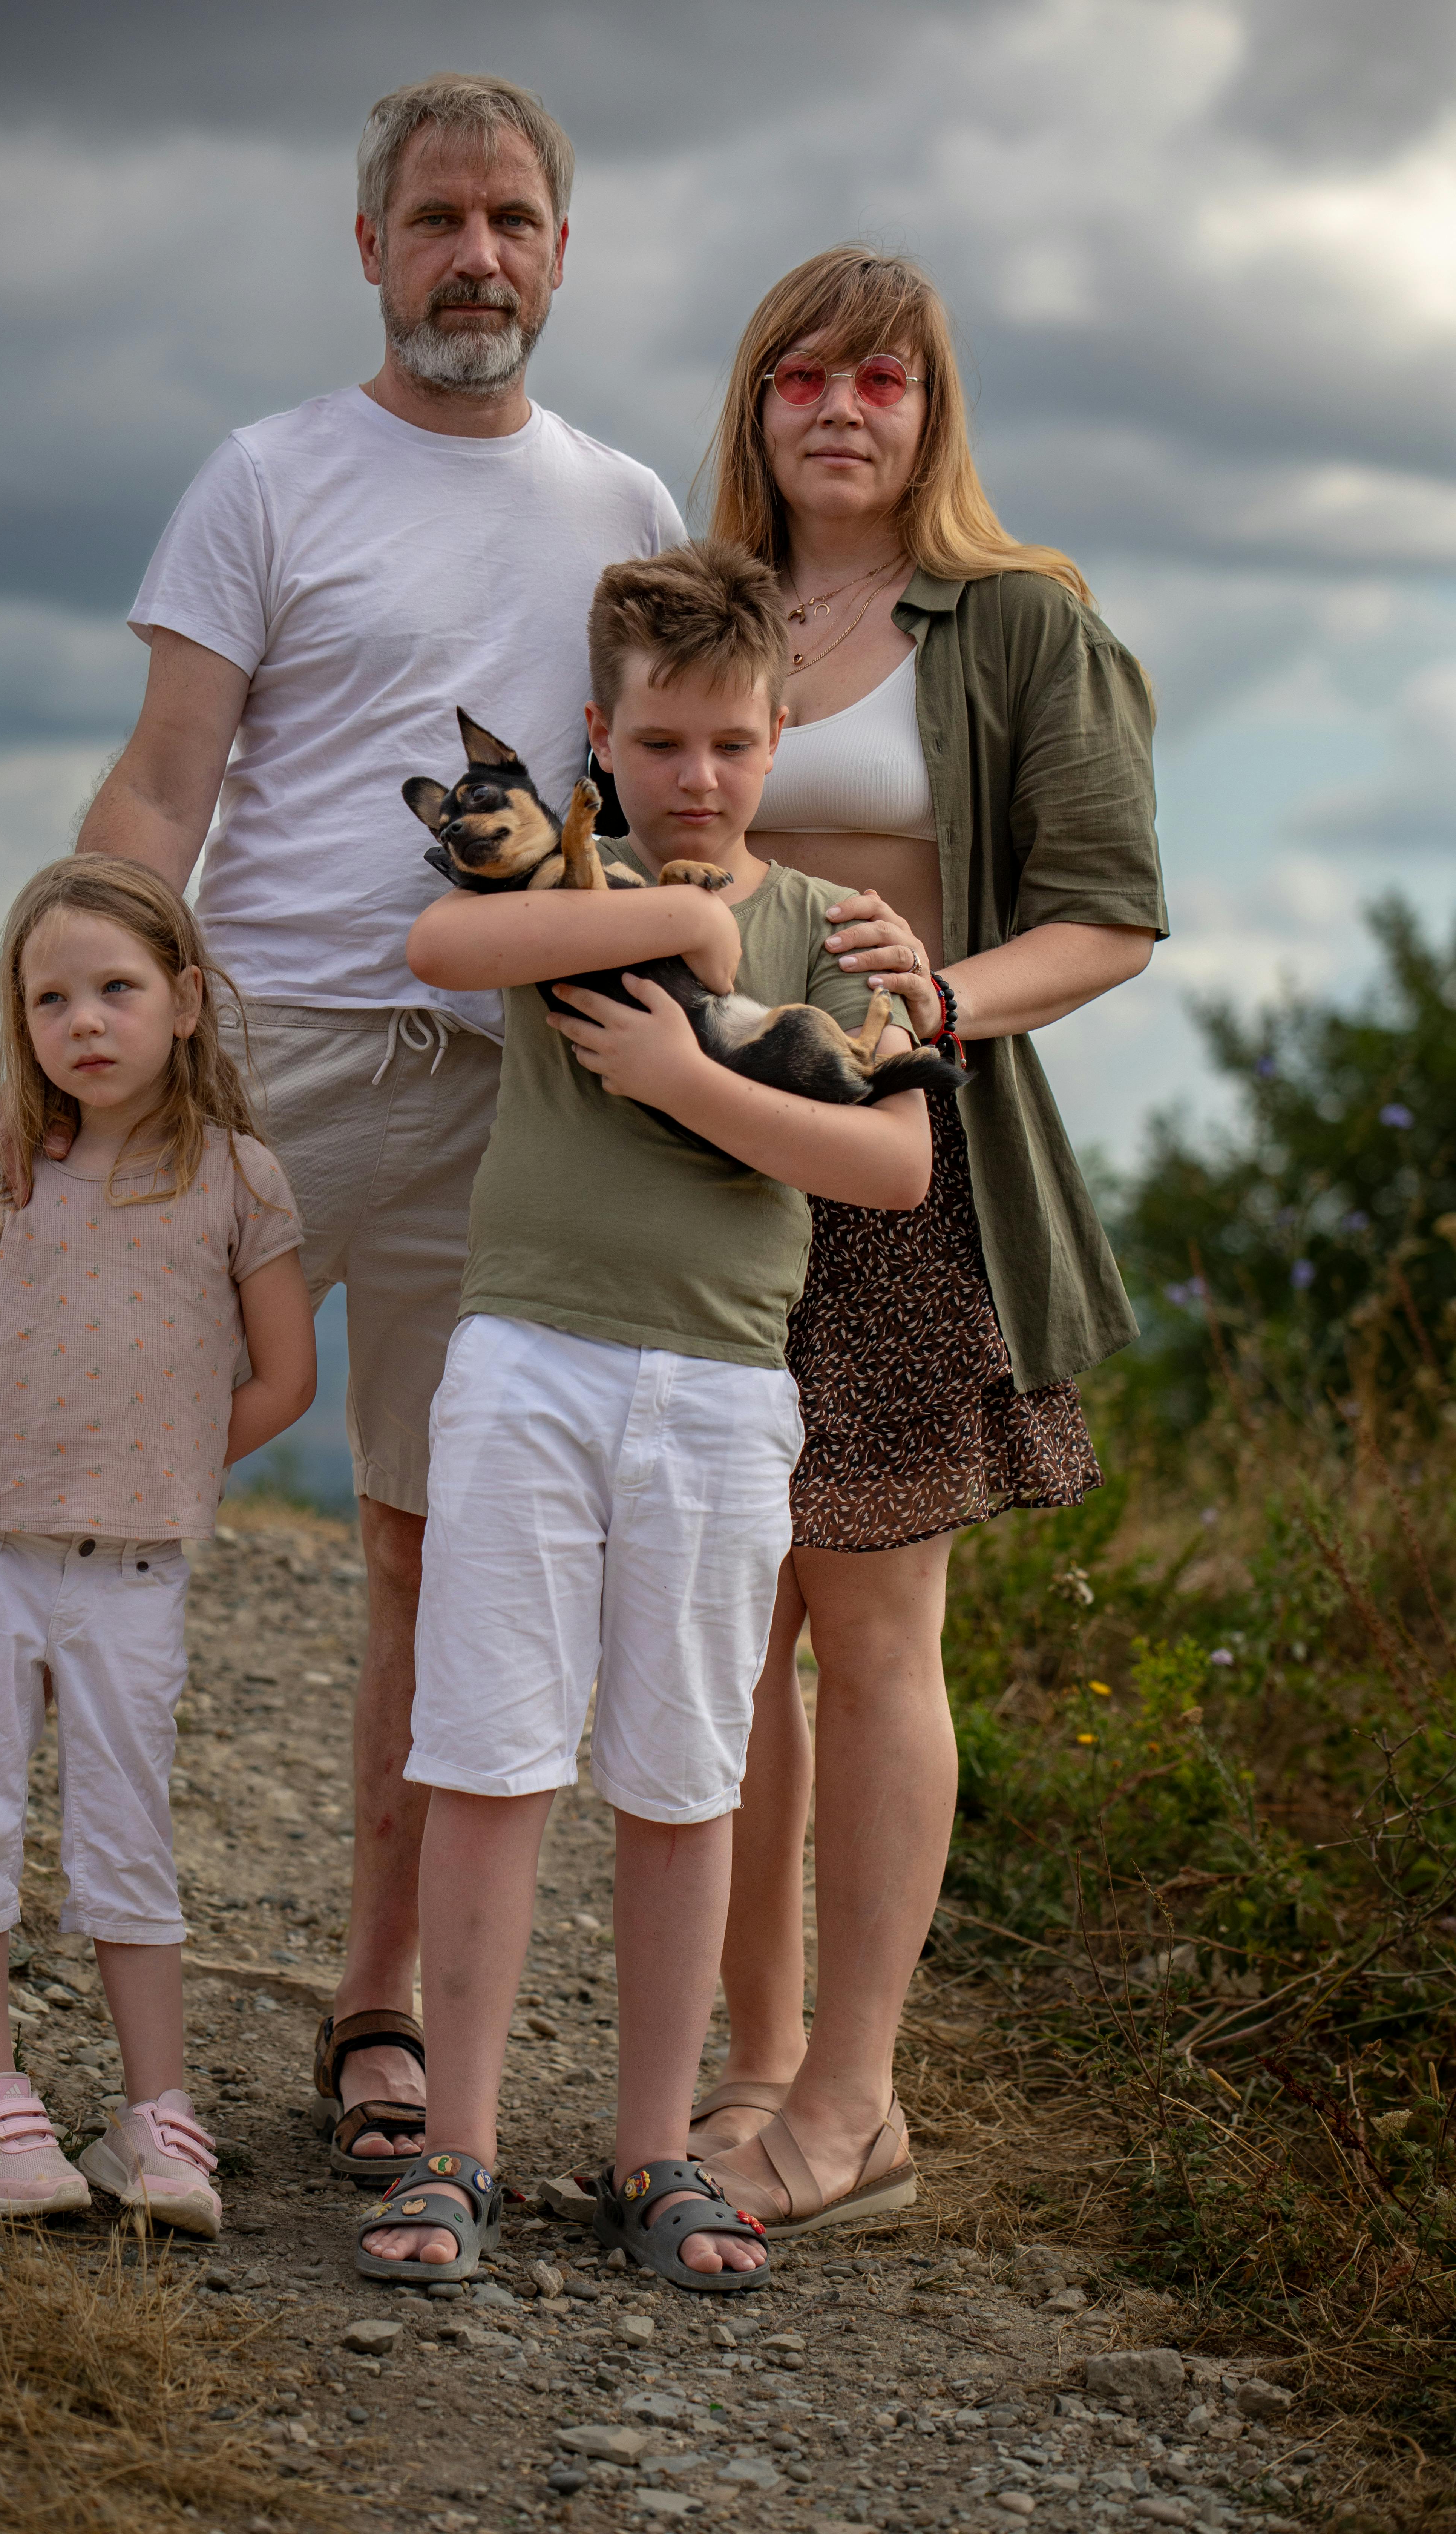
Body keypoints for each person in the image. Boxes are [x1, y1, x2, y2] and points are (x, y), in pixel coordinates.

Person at [0, 72, 685, 2159]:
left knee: (427, 1545)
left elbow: (663, 789)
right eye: (438, 218)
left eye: (515, 220)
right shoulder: (269, 476)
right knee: (28, 1480)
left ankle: (376, 2009)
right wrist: (58, 1066)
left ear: (563, 251)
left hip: (522, 1087)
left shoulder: (628, 505)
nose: (478, 255)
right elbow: (166, 784)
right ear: (368, 248)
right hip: (256, 1067)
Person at [355, 540, 940, 2293]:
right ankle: (458, 2148)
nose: (699, 781)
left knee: (687, 1772)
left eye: (733, 747)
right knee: (488, 1753)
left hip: (715, 1386)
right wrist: (681, 923)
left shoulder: (828, 934)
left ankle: (646, 2157)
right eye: (665, 743)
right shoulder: (578, 889)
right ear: (600, 739)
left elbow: (896, 1163)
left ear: (777, 739)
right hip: (529, 1360)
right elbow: (441, 937)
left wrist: (690, 1074)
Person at [681, 248, 1166, 2235]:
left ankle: (858, 2105)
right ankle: (760, 2069)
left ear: (931, 406)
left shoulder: (1025, 620)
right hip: (698, 1165)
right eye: (802, 376)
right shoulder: (696, 611)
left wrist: (941, 1002)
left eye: (883, 378)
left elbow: (1112, 915)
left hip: (902, 1166)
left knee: (873, 1628)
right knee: (730, 1634)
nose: (842, 409)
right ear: (759, 405)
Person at [0, 857, 315, 2229]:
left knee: (128, 1832)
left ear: (185, 1001)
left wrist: (160, 1462)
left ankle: (153, 2119)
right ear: (23, 1023)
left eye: (117, 989)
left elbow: (285, 1379)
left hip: (130, 1574)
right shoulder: (12, 1170)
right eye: (52, 999)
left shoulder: (238, 1176)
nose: (86, 1022)